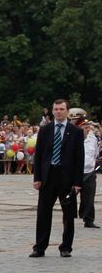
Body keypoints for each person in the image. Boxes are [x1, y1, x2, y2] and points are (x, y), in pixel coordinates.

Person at [31, 98, 84, 258]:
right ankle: (40, 247)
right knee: (43, 213)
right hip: (48, 176)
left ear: (67, 111)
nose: (58, 112)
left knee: (68, 214)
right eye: (56, 109)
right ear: (52, 111)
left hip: (67, 178)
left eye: (61, 109)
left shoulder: (75, 131)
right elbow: (39, 155)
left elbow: (79, 158)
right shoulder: (45, 130)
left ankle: (66, 247)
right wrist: (37, 177)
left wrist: (77, 182)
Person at [73, 109, 98, 228]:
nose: (87, 130)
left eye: (88, 127)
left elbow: (95, 154)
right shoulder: (73, 139)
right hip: (75, 172)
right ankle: (70, 217)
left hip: (89, 172)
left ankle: (88, 220)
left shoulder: (93, 139)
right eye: (85, 127)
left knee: (89, 197)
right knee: (71, 196)